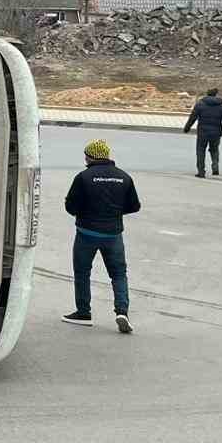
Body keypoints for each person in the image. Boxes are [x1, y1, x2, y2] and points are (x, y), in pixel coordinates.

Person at [62, 138, 142, 334]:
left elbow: (70, 206)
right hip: (113, 234)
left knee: (83, 273)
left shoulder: (83, 177)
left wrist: (83, 212)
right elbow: (134, 206)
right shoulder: (124, 177)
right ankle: (122, 312)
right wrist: (114, 213)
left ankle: (83, 313)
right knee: (118, 274)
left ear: (89, 157)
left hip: (86, 233)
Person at [182, 87, 222, 178]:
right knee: (214, 149)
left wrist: (187, 128)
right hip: (216, 132)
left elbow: (192, 118)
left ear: (207, 94)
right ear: (216, 94)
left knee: (200, 150)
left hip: (202, 132)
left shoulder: (200, 104)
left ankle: (201, 171)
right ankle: (215, 168)